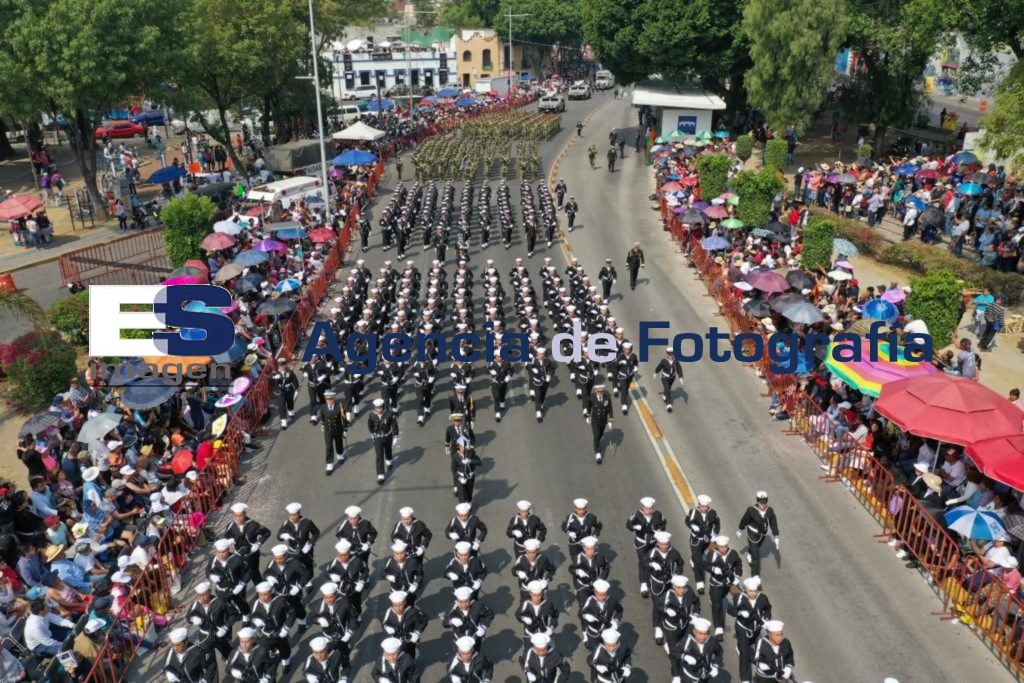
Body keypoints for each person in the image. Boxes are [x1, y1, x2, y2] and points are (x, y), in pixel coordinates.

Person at [731, 576, 772, 683]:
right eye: (750, 591)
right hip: (743, 629)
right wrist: (740, 613)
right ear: (745, 589)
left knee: (761, 649)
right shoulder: (739, 597)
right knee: (744, 655)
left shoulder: (762, 598)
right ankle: (745, 679)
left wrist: (766, 619)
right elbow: (730, 609)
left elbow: (768, 609)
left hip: (756, 629)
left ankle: (740, 645)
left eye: (755, 591)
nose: (753, 593)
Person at [627, 496, 666, 597]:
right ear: (642, 507)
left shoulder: (658, 514)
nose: (648, 510)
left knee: (655, 560)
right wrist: (635, 527)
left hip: (653, 542)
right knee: (644, 561)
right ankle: (644, 584)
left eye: (650, 508)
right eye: (646, 508)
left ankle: (655, 579)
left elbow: (663, 524)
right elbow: (628, 524)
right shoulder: (637, 514)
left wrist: (659, 531)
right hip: (641, 543)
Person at [224, 502, 270, 584]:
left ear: (245, 514)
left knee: (254, 573)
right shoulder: (230, 526)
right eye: (236, 516)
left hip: (252, 554)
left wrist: (258, 544)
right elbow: (226, 536)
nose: (238, 518)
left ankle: (261, 590)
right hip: (238, 554)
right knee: (241, 574)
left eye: (241, 515)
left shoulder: (253, 524)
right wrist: (230, 542)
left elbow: (267, 533)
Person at [736, 491, 780, 578]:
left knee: (756, 547)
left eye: (764, 503)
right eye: (761, 503)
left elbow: (773, 523)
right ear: (757, 501)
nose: (763, 505)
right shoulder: (751, 510)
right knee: (756, 557)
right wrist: (740, 529)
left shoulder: (770, 511)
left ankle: (750, 552)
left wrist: (776, 536)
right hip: (752, 534)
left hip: (762, 534)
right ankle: (755, 577)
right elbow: (744, 520)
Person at [671, 617, 722, 683]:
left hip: (704, 678)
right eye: (700, 633)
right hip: (687, 677)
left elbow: (719, 653)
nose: (703, 637)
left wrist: (716, 665)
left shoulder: (712, 641)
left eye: (705, 633)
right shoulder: (687, 641)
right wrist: (684, 657)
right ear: (694, 631)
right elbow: (674, 652)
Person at [686, 494, 720, 594]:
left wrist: (715, 533)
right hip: (696, 540)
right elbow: (687, 521)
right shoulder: (693, 512)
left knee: (700, 555)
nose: (704, 508)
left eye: (706, 507)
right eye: (702, 506)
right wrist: (692, 526)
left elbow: (717, 523)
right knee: (698, 562)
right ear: (699, 505)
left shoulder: (712, 513)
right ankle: (699, 583)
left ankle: (693, 559)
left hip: (707, 540)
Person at [277, 502, 320, 579]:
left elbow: (316, 533)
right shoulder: (286, 524)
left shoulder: (307, 522)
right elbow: (279, 536)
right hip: (292, 551)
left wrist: (310, 544)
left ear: (299, 513)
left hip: (306, 549)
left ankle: (308, 582)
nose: (292, 517)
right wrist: (282, 535)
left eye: (294, 515)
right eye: (290, 515)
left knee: (308, 567)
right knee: (295, 568)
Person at [380, 591, 428, 659]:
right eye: (395, 605)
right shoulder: (388, 612)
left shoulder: (412, 611)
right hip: (395, 641)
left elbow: (424, 619)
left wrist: (417, 633)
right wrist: (386, 627)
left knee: (410, 657)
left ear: (405, 602)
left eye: (400, 605)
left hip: (409, 640)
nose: (398, 608)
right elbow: (383, 623)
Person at [368, 398, 399, 484]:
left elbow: (394, 425)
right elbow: (369, 425)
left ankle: (389, 461)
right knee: (379, 455)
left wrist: (396, 436)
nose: (378, 410)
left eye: (380, 408)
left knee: (388, 450)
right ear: (374, 408)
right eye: (377, 408)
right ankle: (380, 474)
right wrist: (372, 434)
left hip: (388, 436)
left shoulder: (389, 414)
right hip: (377, 438)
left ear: (383, 407)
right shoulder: (371, 415)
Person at [320, 390, 350, 474]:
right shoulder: (323, 407)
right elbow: (323, 418)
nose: (329, 401)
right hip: (328, 430)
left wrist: (345, 430)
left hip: (337, 428)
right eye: (327, 399)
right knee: (329, 446)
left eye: (330, 399)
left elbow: (343, 419)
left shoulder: (339, 406)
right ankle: (329, 464)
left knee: (339, 443)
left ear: (334, 399)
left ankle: (340, 455)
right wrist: (322, 425)